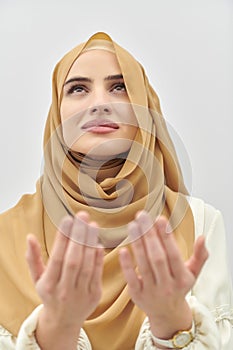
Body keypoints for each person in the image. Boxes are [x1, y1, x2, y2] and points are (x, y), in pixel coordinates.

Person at [0, 31, 232, 350]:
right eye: (78, 88)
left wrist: (172, 323)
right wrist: (57, 328)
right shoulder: (5, 237)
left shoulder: (201, 223)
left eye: (119, 87)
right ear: (57, 113)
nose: (99, 104)